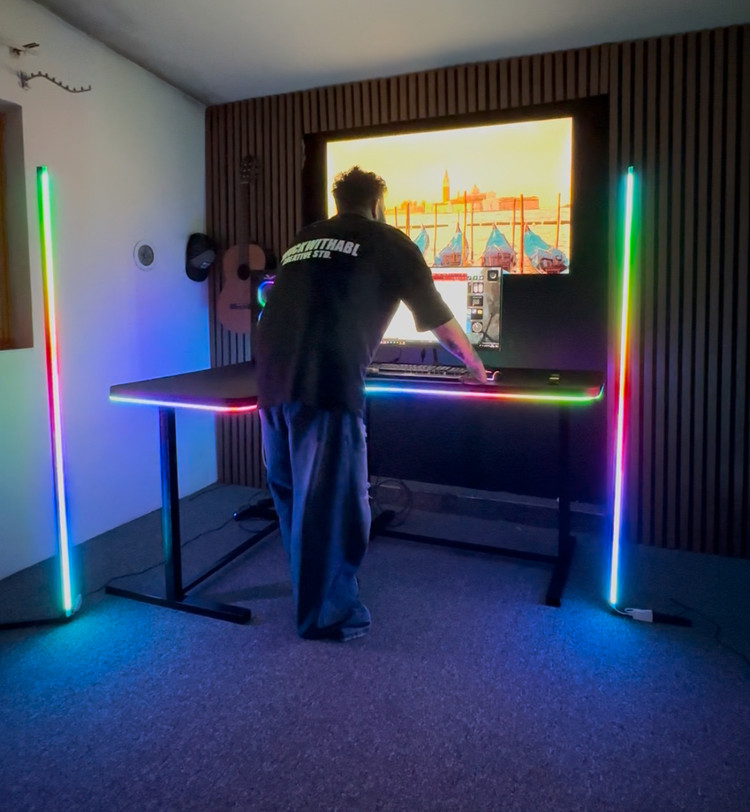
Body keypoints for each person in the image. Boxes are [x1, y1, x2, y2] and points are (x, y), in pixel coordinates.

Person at [254, 166, 486, 642]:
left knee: (293, 497)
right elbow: (439, 321)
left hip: (271, 380)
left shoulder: (305, 238)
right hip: (326, 383)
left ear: (338, 203)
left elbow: (278, 299)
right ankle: (329, 616)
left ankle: (311, 595)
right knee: (334, 507)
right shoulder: (389, 241)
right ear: (378, 204)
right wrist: (477, 367)